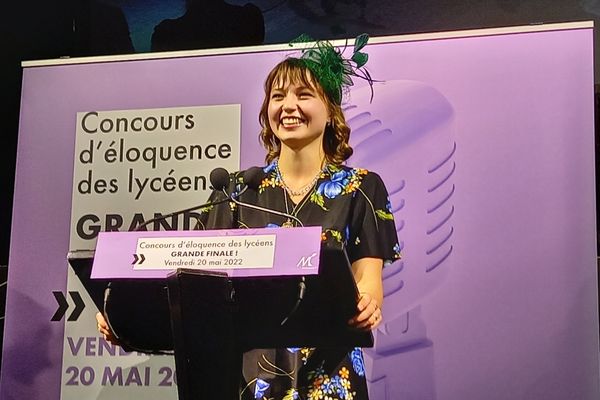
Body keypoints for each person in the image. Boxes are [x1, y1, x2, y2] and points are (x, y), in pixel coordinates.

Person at [97, 34, 400, 400]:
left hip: (329, 375)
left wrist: (367, 304)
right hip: (249, 380)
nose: (288, 106)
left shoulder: (362, 187)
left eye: (303, 95)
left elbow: (368, 281)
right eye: (278, 97)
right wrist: (129, 316)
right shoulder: (236, 190)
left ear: (331, 110)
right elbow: (192, 285)